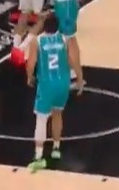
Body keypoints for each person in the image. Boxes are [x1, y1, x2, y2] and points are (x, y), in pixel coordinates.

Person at [25, 13, 83, 173]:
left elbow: (31, 63)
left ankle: (38, 157)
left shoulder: (37, 41)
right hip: (63, 83)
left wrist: (29, 76)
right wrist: (79, 78)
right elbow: (71, 60)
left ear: (44, 26)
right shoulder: (64, 39)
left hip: (46, 84)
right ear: (58, 26)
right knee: (58, 113)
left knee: (41, 119)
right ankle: (56, 148)